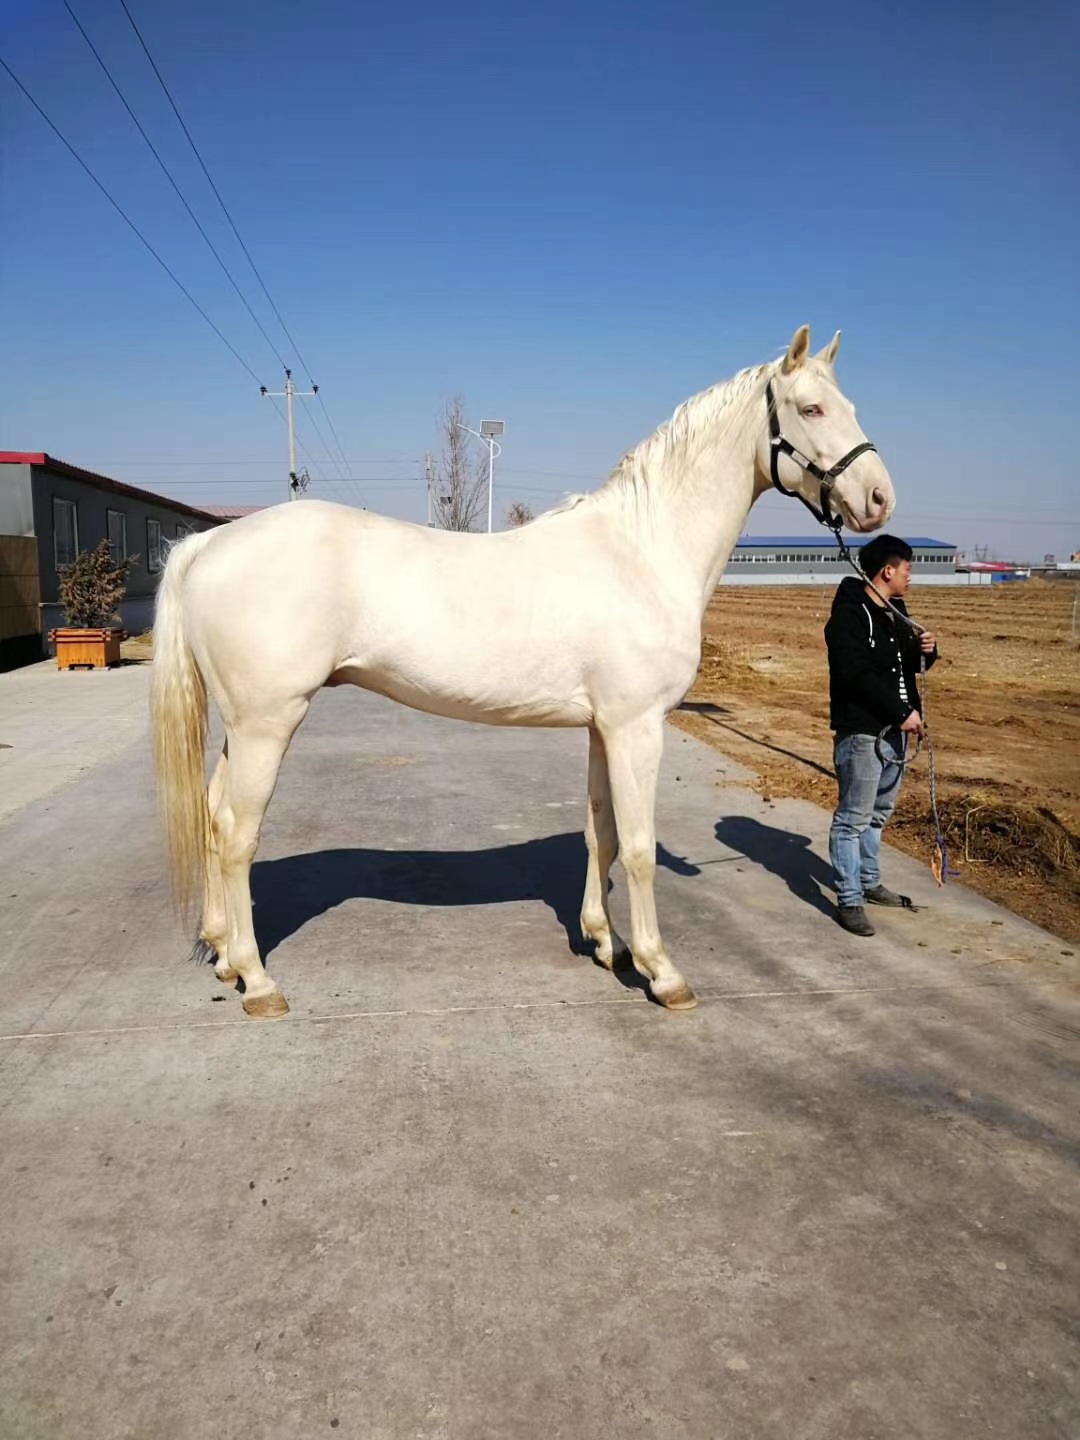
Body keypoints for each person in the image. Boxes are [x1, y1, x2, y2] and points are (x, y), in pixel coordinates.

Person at [824, 535, 939, 936]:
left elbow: (907, 667)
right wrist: (901, 712)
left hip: (897, 732)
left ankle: (869, 882)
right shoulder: (849, 616)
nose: (911, 576)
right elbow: (856, 675)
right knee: (852, 819)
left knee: (877, 815)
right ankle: (849, 899)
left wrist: (927, 650)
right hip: (863, 733)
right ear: (888, 571)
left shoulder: (897, 613)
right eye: (908, 569)